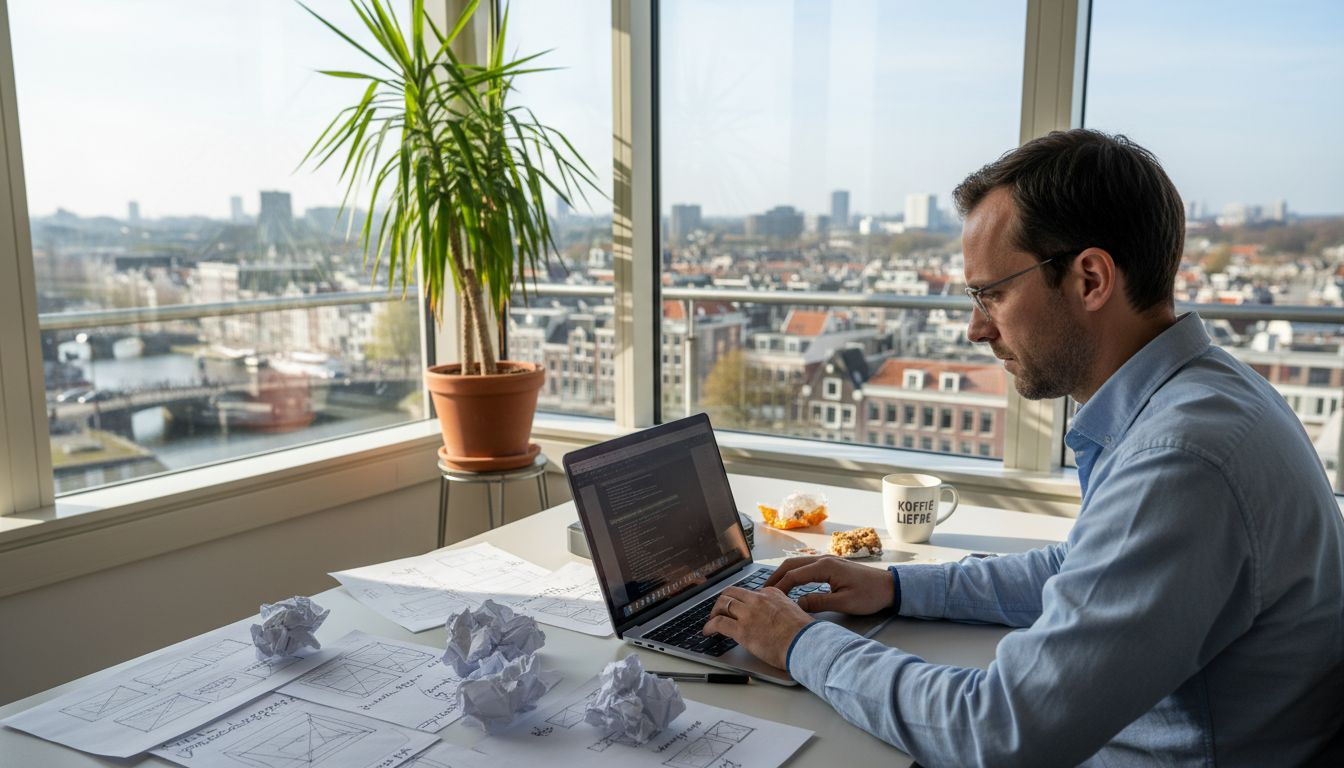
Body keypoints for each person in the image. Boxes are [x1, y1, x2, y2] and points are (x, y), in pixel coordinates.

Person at [703, 129, 1344, 766]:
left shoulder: (1179, 461)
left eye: (992, 293)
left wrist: (799, 643)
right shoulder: (1209, 393)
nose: (977, 328)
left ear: (1091, 278)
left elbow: (999, 733)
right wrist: (895, 587)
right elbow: (1084, 569)